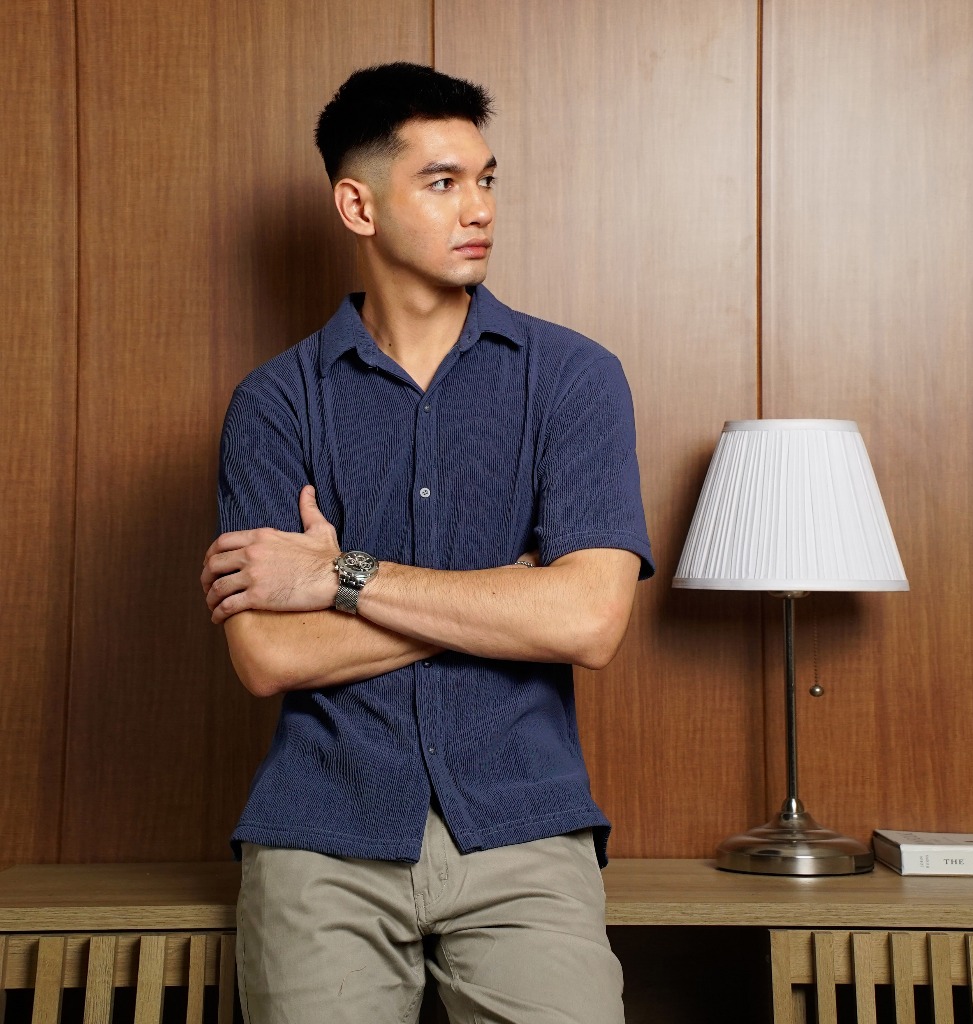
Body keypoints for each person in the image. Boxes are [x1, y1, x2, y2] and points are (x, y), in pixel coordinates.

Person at [201, 61, 654, 1024]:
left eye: (485, 179)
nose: (478, 207)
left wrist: (339, 576)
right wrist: (508, 598)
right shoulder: (273, 405)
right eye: (442, 183)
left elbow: (589, 621)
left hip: (526, 834)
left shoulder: (575, 379)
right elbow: (268, 655)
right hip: (321, 837)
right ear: (358, 206)